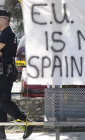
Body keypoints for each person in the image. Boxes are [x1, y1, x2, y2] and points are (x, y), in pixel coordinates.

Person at [0, 10, 34, 139]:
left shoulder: (6, 33)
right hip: (5, 73)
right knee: (1, 103)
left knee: (3, 102)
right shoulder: (7, 33)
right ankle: (1, 134)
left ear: (3, 19)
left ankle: (26, 123)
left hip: (5, 74)